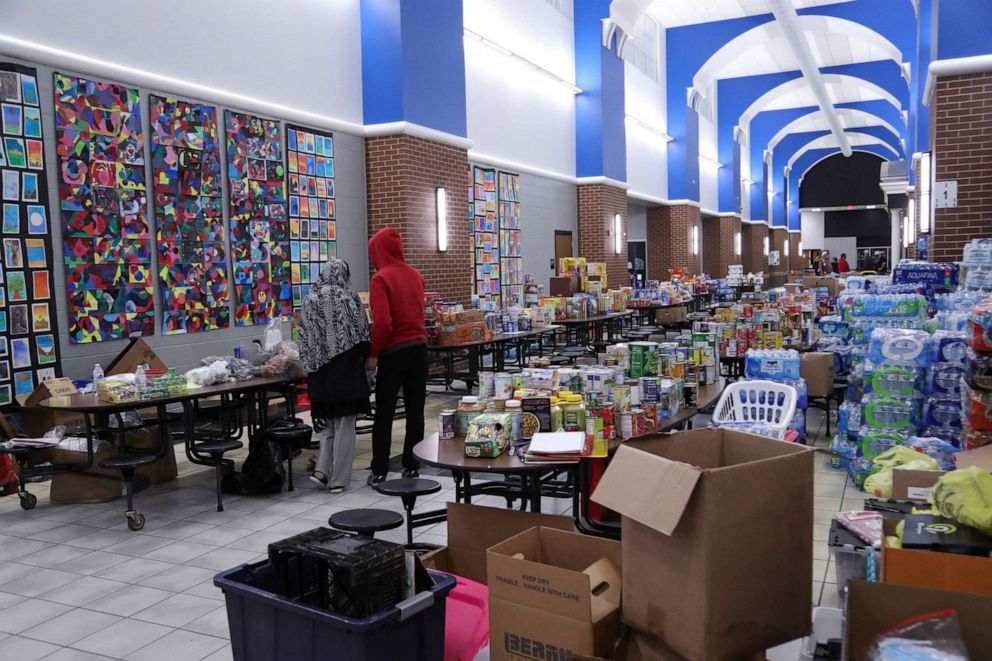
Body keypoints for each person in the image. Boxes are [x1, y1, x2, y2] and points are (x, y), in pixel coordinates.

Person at [298, 259, 371, 494]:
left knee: (329, 423)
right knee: (346, 425)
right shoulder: (347, 297)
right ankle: (338, 480)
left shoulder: (310, 299)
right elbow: (362, 333)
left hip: (319, 373)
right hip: (345, 369)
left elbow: (303, 339)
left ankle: (321, 471)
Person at [366, 227, 428, 485]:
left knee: (385, 411)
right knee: (416, 410)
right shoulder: (416, 275)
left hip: (394, 353)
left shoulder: (380, 279)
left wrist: (373, 354)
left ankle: (379, 469)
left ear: (377, 251)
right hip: (420, 349)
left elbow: (383, 324)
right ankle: (412, 465)